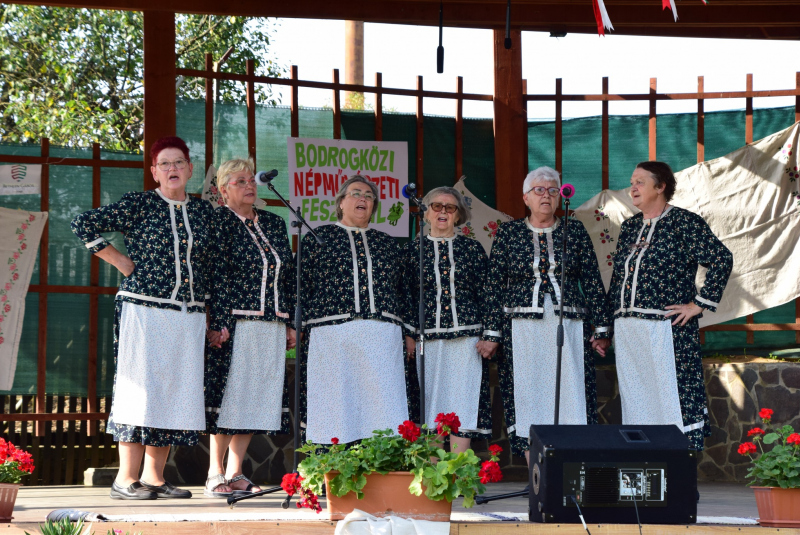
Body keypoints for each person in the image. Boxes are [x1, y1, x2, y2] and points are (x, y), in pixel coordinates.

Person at [71, 137, 213, 499]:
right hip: (144, 309)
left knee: (172, 393)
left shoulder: (202, 213)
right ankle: (125, 478)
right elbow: (83, 223)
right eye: (164, 164)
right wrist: (119, 261)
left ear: (190, 169)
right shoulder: (140, 204)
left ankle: (154, 477)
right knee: (139, 390)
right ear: (153, 172)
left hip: (188, 314)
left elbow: (211, 266)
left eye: (178, 162)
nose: (172, 169)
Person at [481, 166, 612, 462]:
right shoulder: (510, 232)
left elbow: (591, 278)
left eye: (553, 190)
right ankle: (537, 477)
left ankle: (571, 473)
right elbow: (494, 284)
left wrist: (602, 329)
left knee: (572, 391)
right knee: (528, 394)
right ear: (525, 198)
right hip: (522, 327)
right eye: (539, 190)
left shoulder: (573, 230)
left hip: (569, 324)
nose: (546, 195)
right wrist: (491, 333)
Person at [606, 161, 732, 450]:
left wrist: (699, 304)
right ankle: (644, 468)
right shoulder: (629, 227)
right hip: (628, 330)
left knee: (670, 397)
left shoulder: (684, 222)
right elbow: (618, 279)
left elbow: (721, 259)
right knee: (637, 398)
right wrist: (606, 326)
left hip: (666, 329)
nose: (632, 187)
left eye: (640, 182)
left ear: (660, 186)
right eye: (631, 182)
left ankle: (678, 474)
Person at [203, 158, 295, 498]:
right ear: (223, 189)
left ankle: (236, 472)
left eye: (251, 180)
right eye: (239, 181)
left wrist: (288, 320)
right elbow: (218, 275)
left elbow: (285, 276)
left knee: (256, 399)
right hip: (237, 322)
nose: (249, 186)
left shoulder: (273, 222)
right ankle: (215, 473)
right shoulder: (219, 220)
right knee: (230, 396)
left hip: (271, 323)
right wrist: (221, 321)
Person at [299, 175, 408, 445]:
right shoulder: (318, 237)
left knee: (381, 403)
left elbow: (402, 290)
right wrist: (297, 326)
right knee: (336, 403)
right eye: (356, 193)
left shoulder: (387, 243)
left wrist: (409, 332)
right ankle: (331, 469)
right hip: (332, 335)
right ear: (341, 202)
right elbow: (299, 284)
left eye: (369, 196)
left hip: (382, 336)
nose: (363, 199)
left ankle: (381, 468)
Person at [401, 186, 492, 453]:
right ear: (426, 213)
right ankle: (434, 485)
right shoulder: (411, 251)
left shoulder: (472, 249)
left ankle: (458, 473)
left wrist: (489, 335)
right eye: (436, 207)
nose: (442, 211)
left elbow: (487, 293)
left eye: (449, 208)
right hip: (425, 340)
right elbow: (404, 293)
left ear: (458, 215)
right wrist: (408, 333)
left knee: (462, 404)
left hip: (467, 339)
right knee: (430, 404)